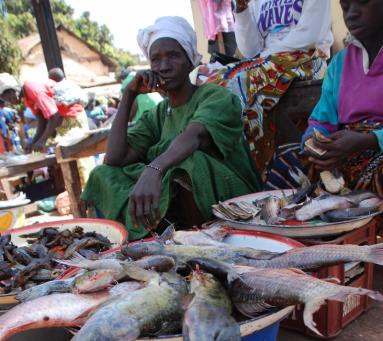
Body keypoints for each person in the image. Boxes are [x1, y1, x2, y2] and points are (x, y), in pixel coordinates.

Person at [81, 16, 261, 240]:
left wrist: (154, 169)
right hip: (179, 198)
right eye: (155, 59)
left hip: (231, 197)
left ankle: (201, 241)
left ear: (190, 61)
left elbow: (194, 136)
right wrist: (129, 95)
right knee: (102, 174)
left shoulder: (215, 96)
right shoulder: (158, 114)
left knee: (189, 162)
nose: (164, 66)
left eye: (173, 55)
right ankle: (157, 235)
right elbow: (114, 159)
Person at [266, 0, 383, 197]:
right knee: (285, 158)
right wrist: (315, 143)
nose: (351, 14)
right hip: (343, 151)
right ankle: (285, 222)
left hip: (375, 151)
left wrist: (369, 140)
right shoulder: (340, 63)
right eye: (345, 6)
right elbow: (322, 119)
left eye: (362, 3)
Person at [200, 0, 333, 173]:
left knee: (241, 80)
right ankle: (224, 161)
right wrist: (242, 11)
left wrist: (262, 60)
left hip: (307, 58)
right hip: (265, 62)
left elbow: (310, 35)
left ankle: (255, 168)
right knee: (208, 79)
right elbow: (250, 49)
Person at [0, 73, 88, 152]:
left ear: (14, 90)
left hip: (73, 116)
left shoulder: (34, 90)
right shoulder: (27, 98)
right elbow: (42, 121)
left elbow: (55, 117)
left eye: (10, 99)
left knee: (80, 157)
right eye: (8, 101)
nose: (11, 103)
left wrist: (42, 140)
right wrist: (33, 143)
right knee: (70, 159)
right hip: (63, 121)